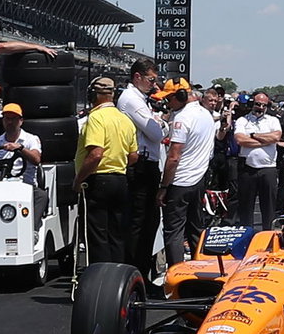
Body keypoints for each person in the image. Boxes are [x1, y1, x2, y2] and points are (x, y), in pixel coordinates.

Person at [75, 76, 139, 265]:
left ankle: (101, 279)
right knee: (117, 234)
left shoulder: (96, 118)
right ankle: (117, 275)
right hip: (120, 179)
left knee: (97, 235)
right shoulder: (124, 120)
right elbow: (134, 156)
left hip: (98, 180)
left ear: (94, 94)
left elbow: (95, 154)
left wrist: (78, 180)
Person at [156, 79, 214, 266]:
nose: (167, 104)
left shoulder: (182, 118)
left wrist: (163, 187)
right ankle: (200, 268)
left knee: (174, 232)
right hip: (199, 180)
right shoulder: (206, 114)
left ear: (180, 96)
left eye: (170, 99)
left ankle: (175, 273)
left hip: (179, 181)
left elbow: (174, 157)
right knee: (196, 229)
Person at [118, 58, 168, 273]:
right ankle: (134, 270)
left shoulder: (142, 99)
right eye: (151, 79)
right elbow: (156, 132)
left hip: (149, 164)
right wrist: (162, 124)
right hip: (140, 165)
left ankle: (142, 270)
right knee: (139, 222)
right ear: (137, 77)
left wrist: (160, 124)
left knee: (150, 221)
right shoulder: (131, 99)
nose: (154, 85)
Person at [234, 91, 283, 229]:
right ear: (252, 104)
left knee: (268, 208)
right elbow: (240, 140)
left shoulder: (273, 121)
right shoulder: (242, 121)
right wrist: (265, 141)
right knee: (246, 208)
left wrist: (253, 135)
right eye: (257, 104)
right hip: (247, 169)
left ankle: (268, 236)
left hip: (268, 169)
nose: (260, 107)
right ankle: (246, 238)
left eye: (264, 105)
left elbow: (276, 137)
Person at [0, 102, 41, 183]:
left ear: (21, 121)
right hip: (1, 187)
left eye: (13, 119)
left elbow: (36, 159)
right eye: (7, 118)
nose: (9, 122)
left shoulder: (31, 139)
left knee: (42, 195)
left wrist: (21, 148)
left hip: (25, 186)